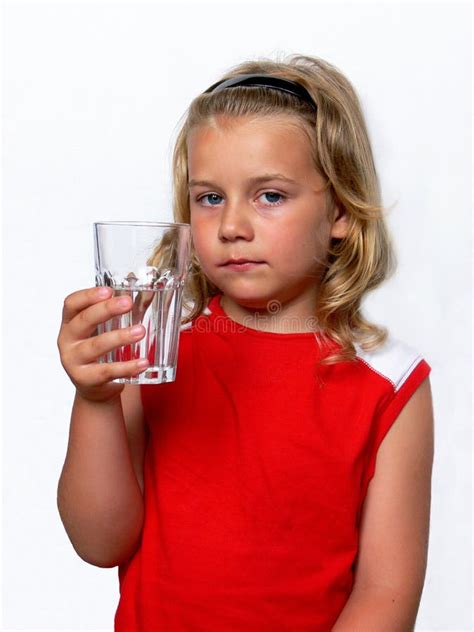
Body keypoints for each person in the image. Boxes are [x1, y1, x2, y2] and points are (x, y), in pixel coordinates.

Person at [56, 54, 434, 631]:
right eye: (210, 198)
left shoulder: (389, 382)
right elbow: (100, 541)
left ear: (340, 208)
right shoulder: (156, 351)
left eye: (270, 196)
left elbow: (385, 595)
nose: (232, 225)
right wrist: (95, 400)